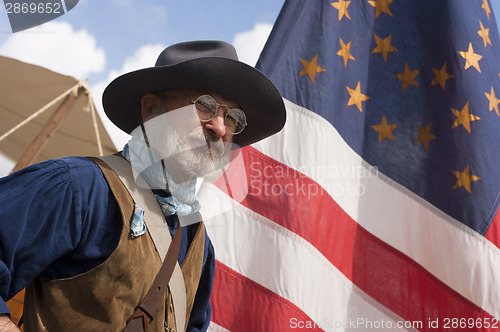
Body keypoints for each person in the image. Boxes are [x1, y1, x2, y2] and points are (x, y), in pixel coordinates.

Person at [0, 40, 286, 331]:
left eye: (233, 118)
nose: (220, 127)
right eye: (205, 105)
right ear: (151, 109)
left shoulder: (197, 239)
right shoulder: (79, 186)